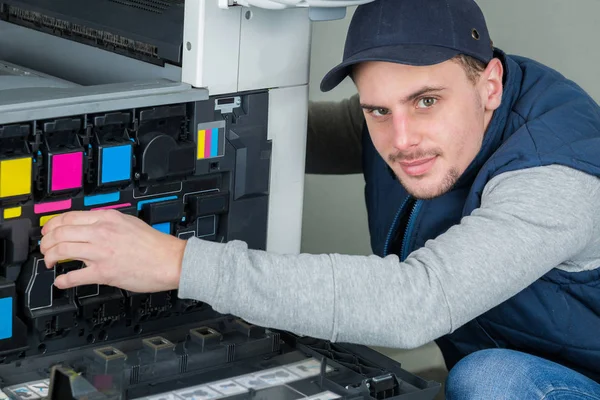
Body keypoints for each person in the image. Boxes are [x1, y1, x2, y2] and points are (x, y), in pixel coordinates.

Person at [39, 0, 600, 398]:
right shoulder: (412, 119)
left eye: (426, 101)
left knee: (489, 381)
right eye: (378, 109)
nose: (401, 139)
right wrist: (186, 139)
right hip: (512, 355)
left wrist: (175, 262)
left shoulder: (555, 177)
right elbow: (317, 134)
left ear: (490, 85)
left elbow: (417, 303)